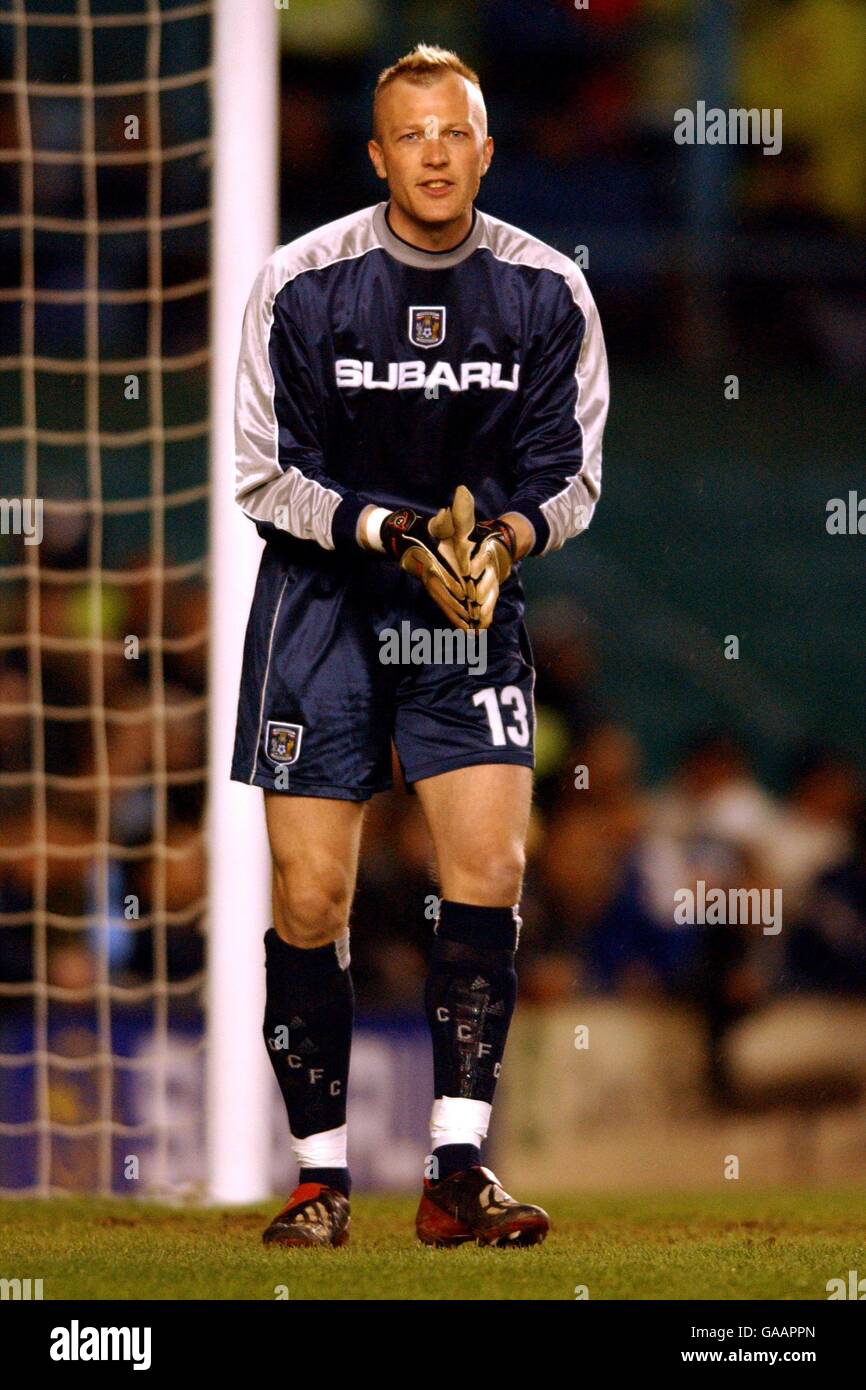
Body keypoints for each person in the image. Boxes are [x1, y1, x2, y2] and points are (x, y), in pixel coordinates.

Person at [231, 44, 608, 1248]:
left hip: (469, 608)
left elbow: (574, 475)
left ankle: (455, 1172)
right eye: (411, 134)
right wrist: (389, 530)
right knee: (310, 892)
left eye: (456, 132)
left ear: (485, 149)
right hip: (326, 605)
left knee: (487, 876)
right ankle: (318, 1175)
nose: (434, 152)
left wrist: (500, 539)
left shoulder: (547, 292)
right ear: (377, 154)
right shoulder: (298, 284)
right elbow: (259, 474)